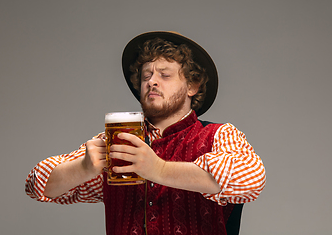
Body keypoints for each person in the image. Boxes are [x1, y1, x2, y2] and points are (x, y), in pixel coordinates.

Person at [25, 31, 266, 235]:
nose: (152, 82)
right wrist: (84, 168)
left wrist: (158, 169)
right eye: (146, 76)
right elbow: (37, 185)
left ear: (192, 86)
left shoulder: (219, 135)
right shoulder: (116, 143)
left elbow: (251, 179)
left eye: (165, 74)